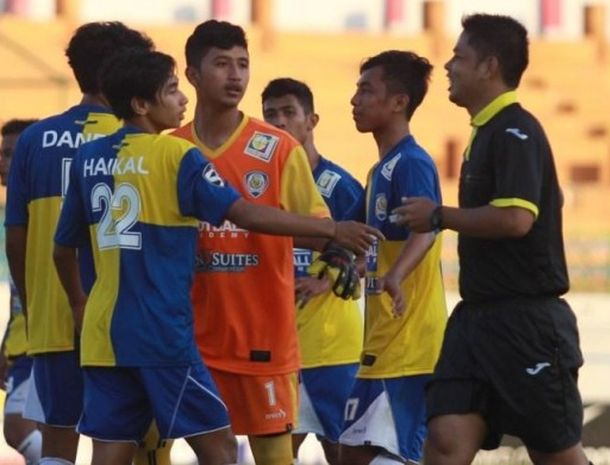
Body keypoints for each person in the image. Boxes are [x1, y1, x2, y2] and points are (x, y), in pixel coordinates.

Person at [52, 48, 380, 465]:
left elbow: (63, 248)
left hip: (104, 336)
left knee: (112, 452)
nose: (182, 99)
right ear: (141, 104)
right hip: (162, 336)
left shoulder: (88, 158)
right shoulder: (176, 154)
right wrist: (333, 230)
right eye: (171, 91)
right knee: (221, 447)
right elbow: (242, 212)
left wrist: (80, 302)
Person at [393, 14, 591, 465]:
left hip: (526, 325)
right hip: (475, 320)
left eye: (459, 57)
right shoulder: (486, 133)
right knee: (443, 442)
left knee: (556, 454)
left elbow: (518, 218)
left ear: (489, 66)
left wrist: (439, 216)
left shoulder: (516, 130)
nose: (448, 66)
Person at [172, 20, 366, 465]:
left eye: (242, 64)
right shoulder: (172, 148)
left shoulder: (276, 149)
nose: (236, 75)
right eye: (222, 64)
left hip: (264, 338)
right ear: (193, 75)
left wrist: (335, 263)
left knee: (278, 456)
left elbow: (322, 229)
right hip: (187, 340)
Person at [4, 21, 156, 465]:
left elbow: (17, 236)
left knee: (58, 439)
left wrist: (33, 305)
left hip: (53, 311)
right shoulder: (140, 138)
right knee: (122, 440)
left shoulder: (33, 140)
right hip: (124, 313)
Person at [337, 50, 447, 465]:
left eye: (366, 90)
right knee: (352, 453)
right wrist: (356, 263)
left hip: (409, 343)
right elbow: (368, 240)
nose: (355, 100)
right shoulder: (379, 170)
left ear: (398, 102)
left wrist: (396, 275)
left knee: (390, 452)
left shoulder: (412, 163)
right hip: (382, 339)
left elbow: (429, 226)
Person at [261, 77, 364, 465]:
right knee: (275, 452)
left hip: (330, 347)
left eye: (289, 112)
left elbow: (369, 252)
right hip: (274, 347)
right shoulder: (257, 187)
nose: (279, 122)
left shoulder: (339, 187)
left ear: (312, 120)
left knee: (340, 451)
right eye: (270, 115)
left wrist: (325, 280)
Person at [0, 118, 41, 465]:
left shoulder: (40, 210)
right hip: (22, 344)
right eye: (2, 153)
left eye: (12, 153)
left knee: (17, 427)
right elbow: (18, 291)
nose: (3, 162)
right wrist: (5, 345)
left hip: (44, 342)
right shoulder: (16, 211)